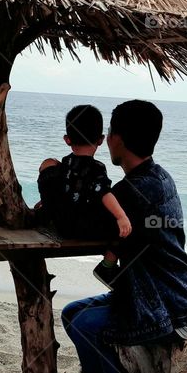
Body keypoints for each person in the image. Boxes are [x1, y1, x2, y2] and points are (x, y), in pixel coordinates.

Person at [61, 100, 187, 373]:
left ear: (117, 140)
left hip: (169, 306)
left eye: (110, 133)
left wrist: (52, 176)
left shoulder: (134, 190)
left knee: (84, 326)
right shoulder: (156, 177)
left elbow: (76, 223)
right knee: (71, 313)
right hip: (167, 296)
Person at [36, 104, 131, 288]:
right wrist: (121, 216)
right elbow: (104, 192)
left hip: (58, 223)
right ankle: (108, 264)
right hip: (85, 228)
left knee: (48, 164)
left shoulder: (65, 164)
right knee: (127, 222)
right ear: (101, 140)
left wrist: (47, 201)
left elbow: (64, 187)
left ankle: (43, 210)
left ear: (67, 139)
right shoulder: (97, 168)